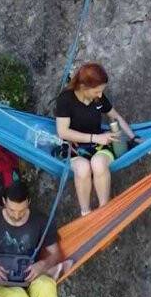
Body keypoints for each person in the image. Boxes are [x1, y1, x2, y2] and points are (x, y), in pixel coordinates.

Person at [54, 63, 141, 215]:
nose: (100, 95)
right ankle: (86, 214)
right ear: (83, 86)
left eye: (102, 91)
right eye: (97, 91)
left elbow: (116, 117)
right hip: (74, 147)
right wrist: (95, 137)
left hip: (98, 145)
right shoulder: (65, 99)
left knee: (98, 163)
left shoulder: (98, 99)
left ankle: (104, 211)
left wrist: (134, 137)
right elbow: (62, 132)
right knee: (83, 169)